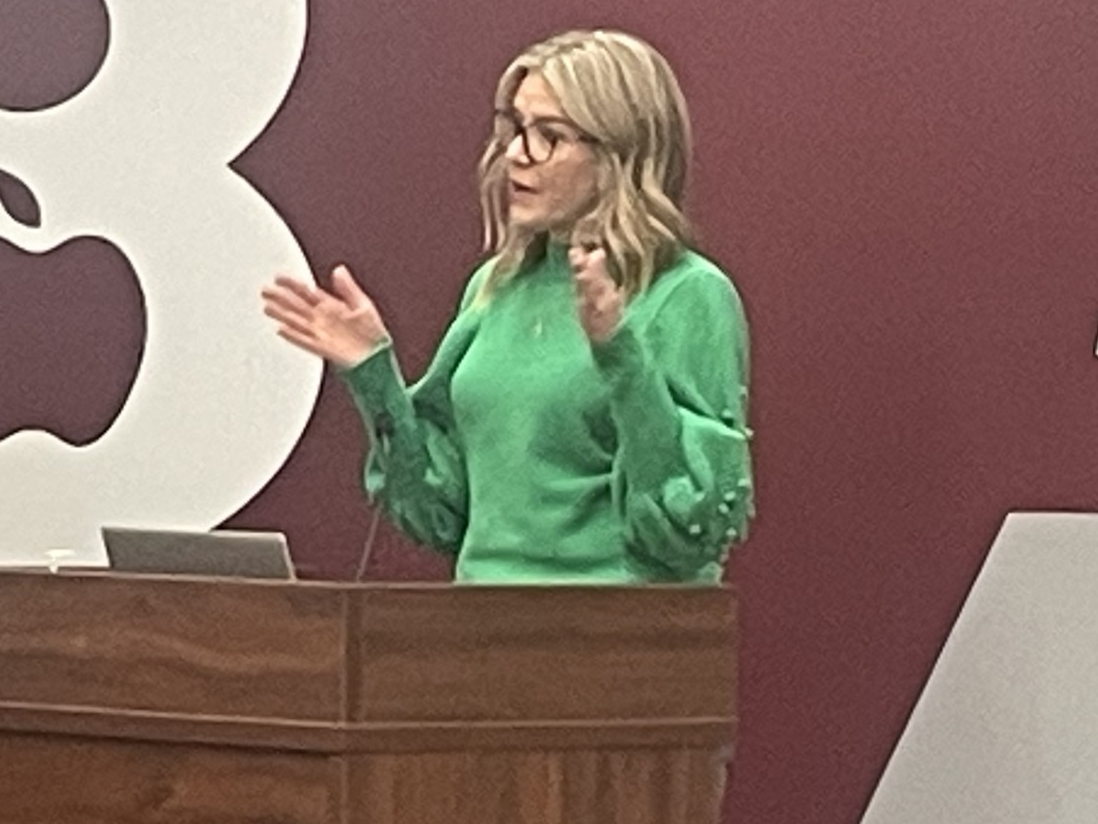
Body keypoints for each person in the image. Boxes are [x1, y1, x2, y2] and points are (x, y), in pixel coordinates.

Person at [262, 29, 752, 583]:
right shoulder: (494, 286)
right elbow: (439, 514)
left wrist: (620, 354)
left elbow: (692, 530)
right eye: (515, 128)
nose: (517, 154)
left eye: (549, 136)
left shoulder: (688, 294)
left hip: (617, 630)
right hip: (482, 625)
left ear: (619, 153)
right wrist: (374, 375)